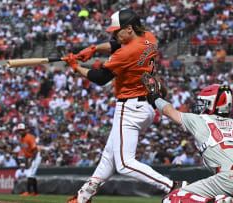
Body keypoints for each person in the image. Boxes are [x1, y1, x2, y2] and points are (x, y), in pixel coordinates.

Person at [64, 9, 186, 203]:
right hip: (145, 106)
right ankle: (83, 196)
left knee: (124, 164)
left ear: (129, 29)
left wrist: (75, 67)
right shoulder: (149, 38)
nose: (114, 35)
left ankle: (172, 186)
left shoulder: (127, 52)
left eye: (117, 31)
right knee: (109, 157)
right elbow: (115, 44)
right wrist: (94, 48)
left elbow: (100, 77)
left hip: (129, 107)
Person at [140, 74, 233, 203]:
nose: (200, 105)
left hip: (230, 178)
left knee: (172, 199)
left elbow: (169, 111)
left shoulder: (200, 120)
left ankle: (216, 202)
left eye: (202, 102)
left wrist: (155, 97)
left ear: (211, 103)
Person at [17, 123, 41, 197]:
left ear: (25, 130)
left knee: (30, 174)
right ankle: (36, 193)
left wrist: (31, 161)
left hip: (36, 156)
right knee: (32, 175)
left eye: (22, 130)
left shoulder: (30, 137)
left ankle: (27, 191)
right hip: (30, 157)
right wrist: (27, 161)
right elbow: (25, 152)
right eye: (19, 130)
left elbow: (35, 151)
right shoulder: (21, 139)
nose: (21, 132)